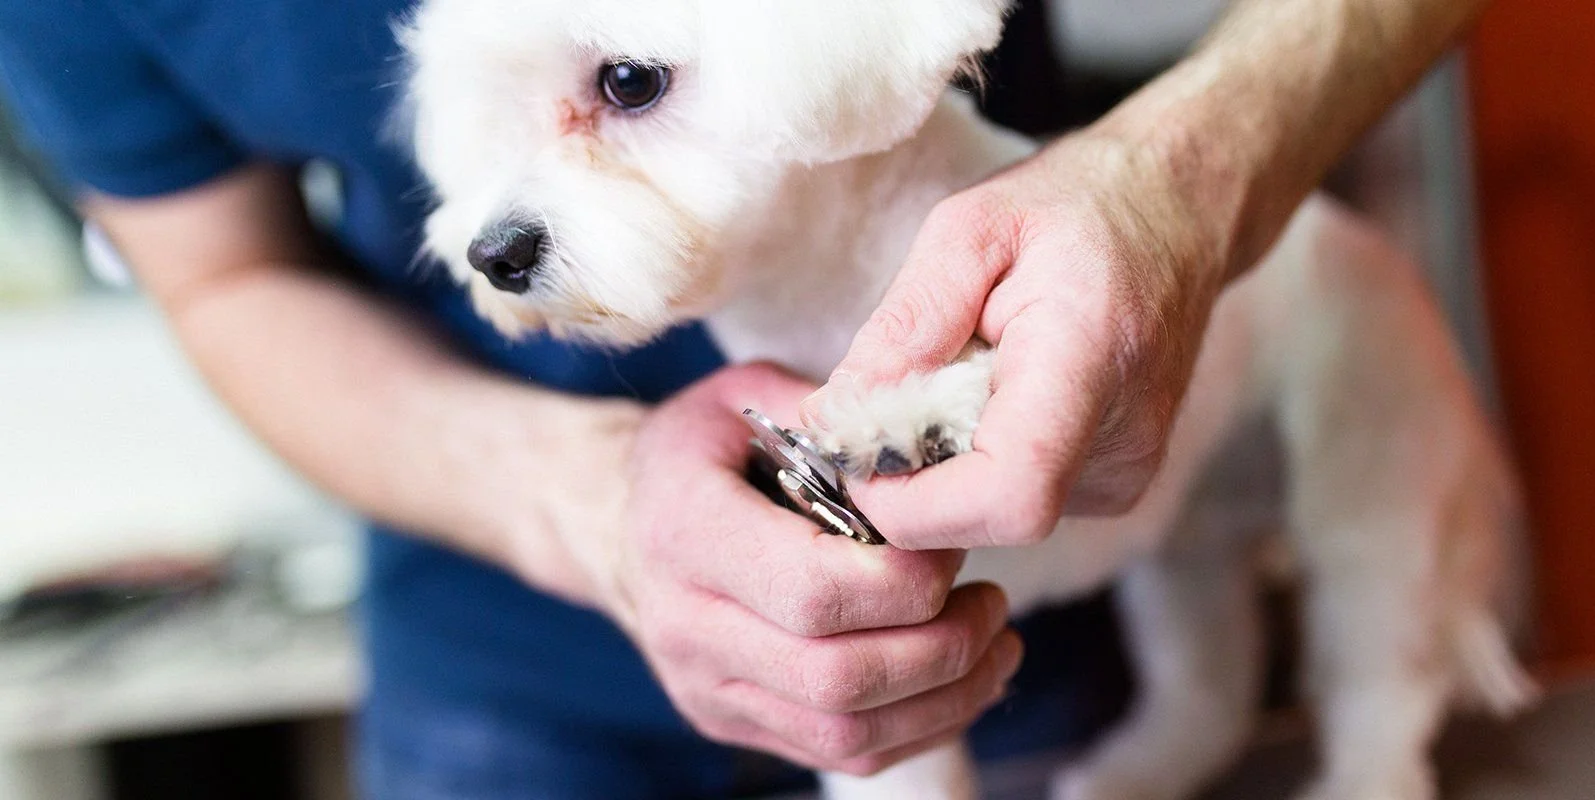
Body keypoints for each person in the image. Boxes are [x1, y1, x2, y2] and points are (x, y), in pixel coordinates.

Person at [0, 0, 1488, 796]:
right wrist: (585, 501)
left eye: (629, 86)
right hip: (500, 680)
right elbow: (219, 277)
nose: (497, 228)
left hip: (1033, 664)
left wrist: (1193, 175)